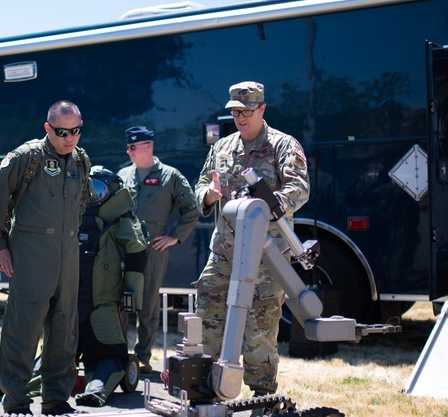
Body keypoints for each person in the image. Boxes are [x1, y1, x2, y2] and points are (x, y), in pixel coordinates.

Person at [193, 81, 309, 397]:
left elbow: (299, 188)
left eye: (246, 112)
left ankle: (262, 398)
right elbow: (201, 184)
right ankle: (204, 391)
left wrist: (271, 204)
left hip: (266, 255)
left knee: (259, 330)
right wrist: (209, 194)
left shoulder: (283, 145)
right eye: (235, 112)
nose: (241, 118)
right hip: (224, 253)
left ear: (262, 109)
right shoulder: (222, 147)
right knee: (206, 322)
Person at [0, 100, 92, 415]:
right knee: (23, 328)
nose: (69, 138)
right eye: (61, 132)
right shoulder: (26, 157)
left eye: (75, 131)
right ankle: (16, 400)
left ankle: (56, 397)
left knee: (64, 328)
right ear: (48, 128)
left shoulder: (80, 160)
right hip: (31, 253)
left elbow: (81, 203)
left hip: (67, 254)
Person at [117, 126, 199, 373]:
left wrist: (174, 237)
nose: (128, 151)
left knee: (149, 303)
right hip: (123, 248)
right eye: (128, 147)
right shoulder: (124, 175)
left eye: (133, 147)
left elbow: (191, 210)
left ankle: (142, 356)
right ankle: (118, 354)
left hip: (153, 249)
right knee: (120, 301)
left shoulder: (170, 176)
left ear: (148, 147)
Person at [74, 167, 148, 407]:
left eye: (98, 190)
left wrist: (133, 293)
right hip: (70, 299)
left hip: (103, 302)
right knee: (58, 352)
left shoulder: (122, 218)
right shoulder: (73, 214)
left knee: (109, 353)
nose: (93, 196)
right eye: (89, 190)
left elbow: (137, 251)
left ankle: (96, 388)